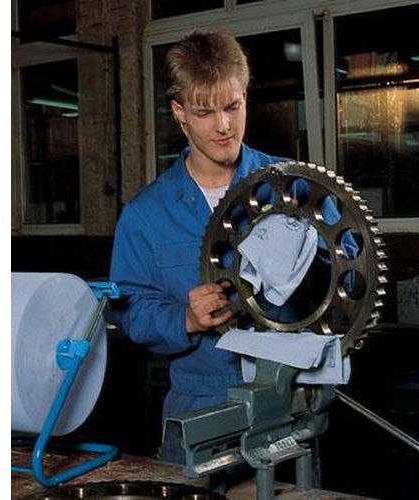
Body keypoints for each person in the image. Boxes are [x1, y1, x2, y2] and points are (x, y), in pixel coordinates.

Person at [109, 30, 350, 462]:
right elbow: (131, 310)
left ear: (245, 95)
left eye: (232, 106)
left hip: (288, 402)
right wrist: (184, 318)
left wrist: (306, 262)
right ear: (179, 112)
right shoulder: (146, 214)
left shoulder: (293, 186)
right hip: (199, 404)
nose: (223, 126)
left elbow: (350, 268)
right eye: (204, 112)